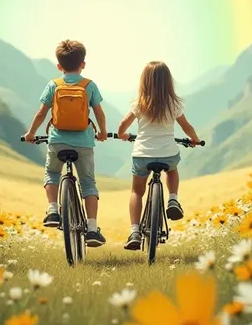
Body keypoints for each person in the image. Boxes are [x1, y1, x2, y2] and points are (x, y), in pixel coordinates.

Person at [23, 39, 108, 247]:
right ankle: (91, 228)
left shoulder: (53, 85)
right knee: (88, 183)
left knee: (52, 173)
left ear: (59, 66)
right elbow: (98, 112)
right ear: (83, 64)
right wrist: (103, 132)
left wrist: (31, 133)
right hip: (84, 143)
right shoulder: (89, 85)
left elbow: (41, 113)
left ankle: (53, 210)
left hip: (57, 141)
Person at [117, 61, 201, 251]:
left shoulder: (139, 103)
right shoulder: (173, 104)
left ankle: (135, 231)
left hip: (142, 155)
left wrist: (122, 134)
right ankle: (172, 198)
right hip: (167, 153)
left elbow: (123, 124)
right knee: (172, 171)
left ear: (144, 82)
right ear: (168, 82)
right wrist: (194, 139)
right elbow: (186, 126)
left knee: (136, 192)